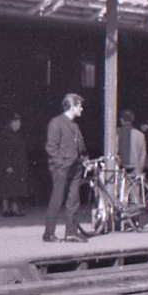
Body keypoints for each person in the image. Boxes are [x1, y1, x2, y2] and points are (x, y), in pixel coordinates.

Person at [43, 93, 90, 243]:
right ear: (72, 106)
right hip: (62, 168)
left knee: (73, 200)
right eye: (79, 106)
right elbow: (51, 147)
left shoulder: (74, 125)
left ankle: (71, 232)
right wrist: (60, 163)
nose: (81, 109)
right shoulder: (56, 123)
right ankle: (49, 233)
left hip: (75, 167)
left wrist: (84, 160)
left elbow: (80, 146)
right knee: (57, 200)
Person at [0, 112, 29, 217]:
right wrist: (7, 165)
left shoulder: (16, 134)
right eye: (17, 122)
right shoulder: (6, 135)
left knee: (14, 188)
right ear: (11, 123)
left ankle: (14, 209)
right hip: (9, 165)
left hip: (17, 165)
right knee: (7, 187)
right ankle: (5, 209)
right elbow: (4, 151)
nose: (19, 124)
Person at [116, 108, 148, 177]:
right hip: (135, 169)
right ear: (133, 119)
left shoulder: (117, 133)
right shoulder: (140, 135)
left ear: (121, 120)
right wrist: (140, 169)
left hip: (120, 168)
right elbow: (143, 155)